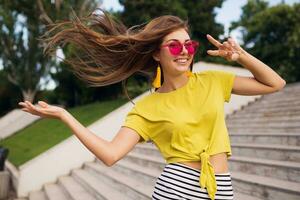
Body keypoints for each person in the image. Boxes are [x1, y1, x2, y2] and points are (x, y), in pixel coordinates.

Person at [18, 10, 286, 200]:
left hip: (221, 187)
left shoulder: (213, 81)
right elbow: (111, 155)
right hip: (178, 189)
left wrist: (241, 56)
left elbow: (275, 84)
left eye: (188, 45)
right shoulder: (147, 108)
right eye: (173, 46)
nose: (183, 52)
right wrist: (66, 116)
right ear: (157, 53)